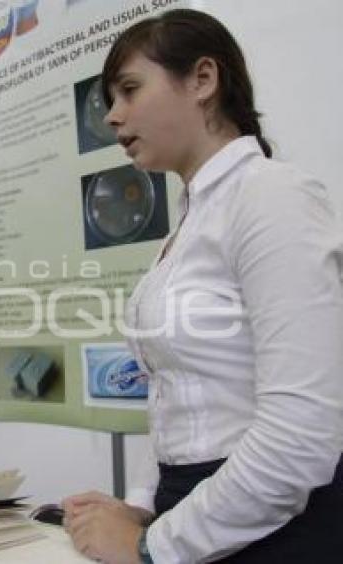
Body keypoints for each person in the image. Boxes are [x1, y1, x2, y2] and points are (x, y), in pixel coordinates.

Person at [61, 8, 343, 564]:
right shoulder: (188, 225)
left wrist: (152, 546)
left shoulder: (272, 198)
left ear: (203, 80)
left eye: (129, 90)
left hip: (277, 530)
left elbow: (300, 437)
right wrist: (142, 505)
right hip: (198, 512)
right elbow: (173, 394)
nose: (114, 117)